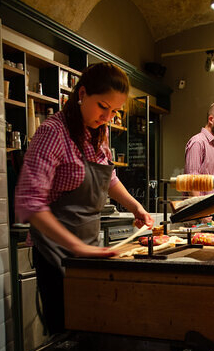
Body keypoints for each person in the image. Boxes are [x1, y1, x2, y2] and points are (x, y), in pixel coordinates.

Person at [15, 62, 153, 335]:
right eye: (103, 106)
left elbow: (109, 179)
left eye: (114, 111)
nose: (108, 117)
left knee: (93, 330)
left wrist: (136, 207)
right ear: (82, 94)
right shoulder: (53, 133)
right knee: (67, 336)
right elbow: (29, 201)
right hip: (57, 256)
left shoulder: (97, 136)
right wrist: (77, 248)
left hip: (87, 252)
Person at [184, 102, 214, 196]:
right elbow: (192, 181)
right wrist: (199, 209)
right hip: (202, 208)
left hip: (212, 207)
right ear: (211, 119)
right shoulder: (198, 142)